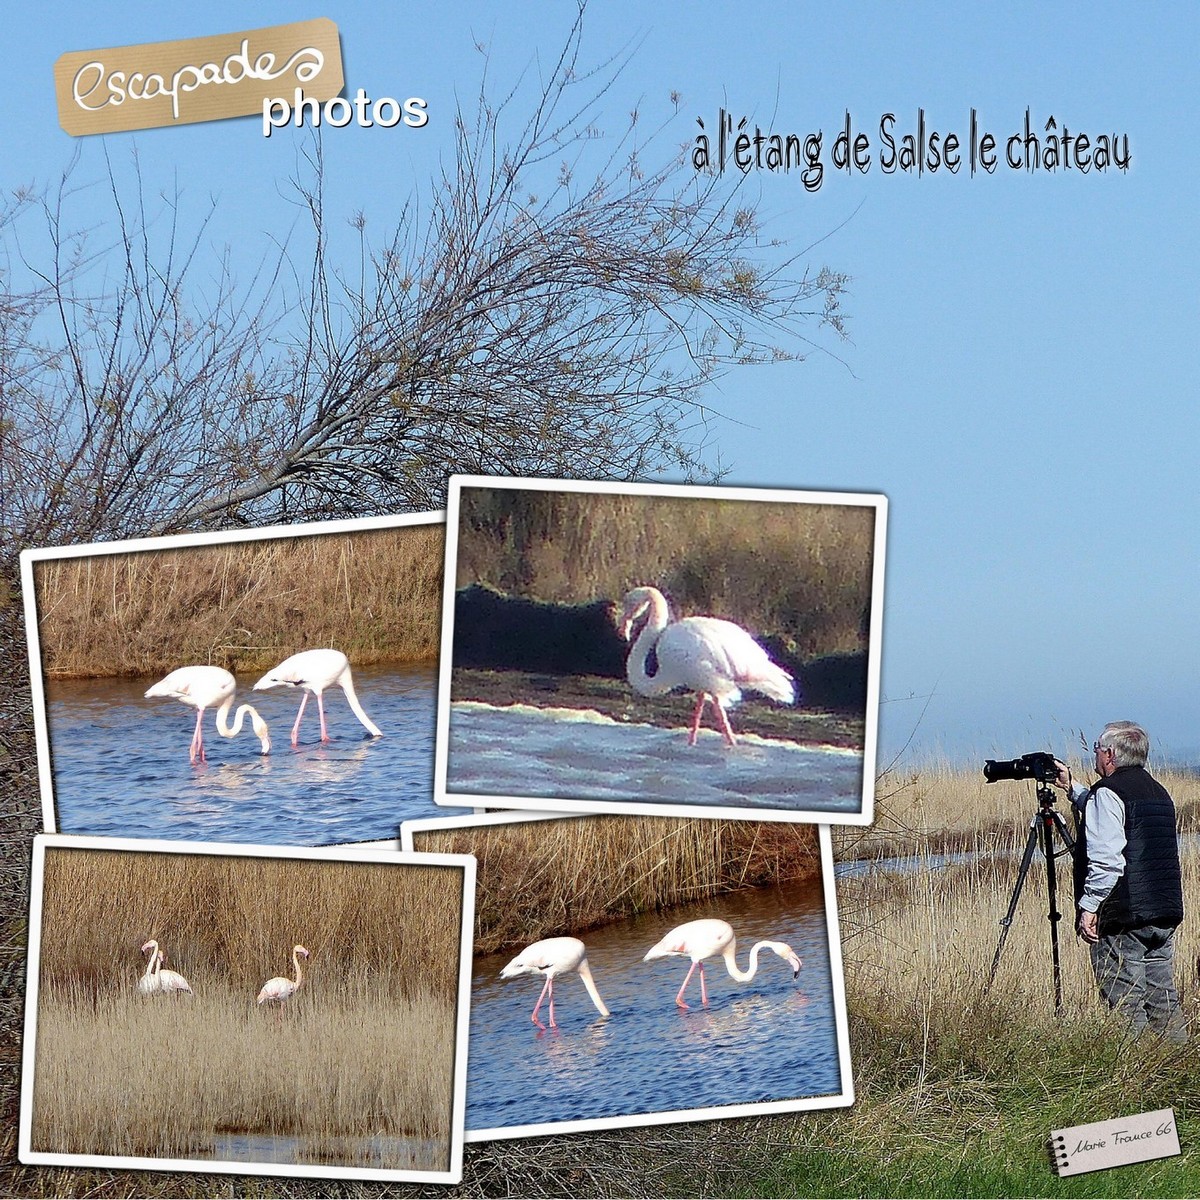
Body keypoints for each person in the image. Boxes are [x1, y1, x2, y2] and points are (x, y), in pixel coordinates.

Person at [1053, 721, 1186, 1040]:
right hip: (1163, 913)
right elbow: (1115, 818)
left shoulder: (1109, 793)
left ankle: (1133, 1081)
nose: (1095, 754)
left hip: (1123, 916)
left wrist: (1089, 907)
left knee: (1125, 1006)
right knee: (1163, 1004)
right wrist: (1073, 788)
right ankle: (1179, 1074)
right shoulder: (1157, 791)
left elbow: (1108, 861)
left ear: (1110, 754)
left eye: (1097, 749)